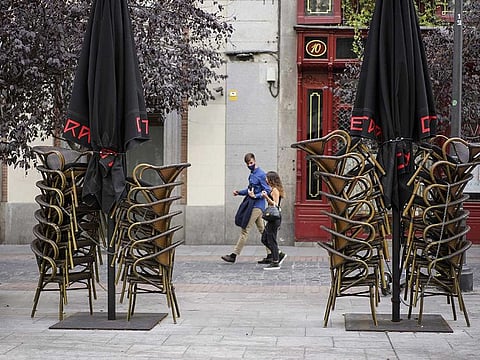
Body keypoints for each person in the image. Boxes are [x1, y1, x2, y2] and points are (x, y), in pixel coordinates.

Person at [221, 153, 271, 263]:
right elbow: (250, 190)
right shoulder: (252, 174)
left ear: (255, 161)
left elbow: (267, 190)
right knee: (263, 231)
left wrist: (256, 196)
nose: (250, 165)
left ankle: (233, 255)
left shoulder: (261, 174)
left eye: (251, 163)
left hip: (257, 206)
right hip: (253, 204)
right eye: (248, 164)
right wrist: (239, 192)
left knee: (245, 230)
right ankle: (272, 254)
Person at [260, 171, 286, 270]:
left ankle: (275, 262)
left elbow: (275, 204)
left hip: (274, 218)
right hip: (272, 218)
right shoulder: (272, 189)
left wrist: (266, 196)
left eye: (267, 178)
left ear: (271, 179)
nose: (265, 180)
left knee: (271, 239)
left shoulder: (275, 190)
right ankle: (279, 254)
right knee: (264, 239)